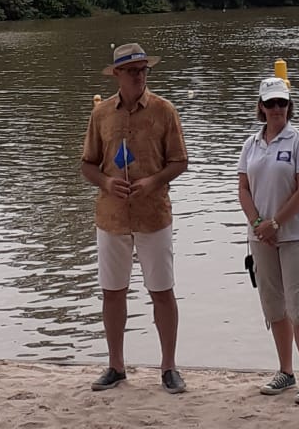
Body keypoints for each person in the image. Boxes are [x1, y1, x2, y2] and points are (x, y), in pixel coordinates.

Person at [81, 42, 189, 394]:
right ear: (117, 75)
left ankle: (169, 366)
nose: (139, 76)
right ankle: (116, 365)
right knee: (113, 292)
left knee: (162, 291)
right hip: (111, 216)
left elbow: (180, 161)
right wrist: (107, 182)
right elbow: (87, 165)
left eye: (143, 69)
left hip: (153, 214)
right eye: (131, 71)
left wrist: (153, 181)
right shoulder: (101, 114)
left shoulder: (164, 110)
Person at [237, 76, 299, 405]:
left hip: (295, 234)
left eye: (281, 103)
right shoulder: (250, 144)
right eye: (270, 103)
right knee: (274, 305)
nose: (276, 109)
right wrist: (258, 223)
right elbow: (243, 188)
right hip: (260, 237)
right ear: (260, 106)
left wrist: (275, 223)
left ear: (289, 105)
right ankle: (286, 371)